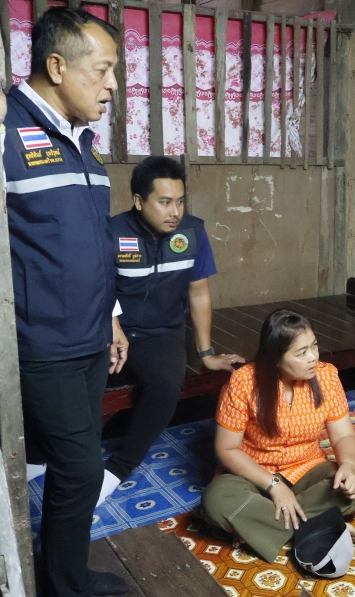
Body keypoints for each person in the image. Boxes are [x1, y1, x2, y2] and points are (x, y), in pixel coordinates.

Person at [0, 8, 129, 597]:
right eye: (102, 70)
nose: (112, 85)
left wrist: (113, 317)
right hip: (40, 339)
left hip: (91, 332)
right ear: (57, 66)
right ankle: (65, 584)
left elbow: (92, 241)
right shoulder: (2, 126)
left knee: (74, 458)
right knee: (81, 466)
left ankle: (61, 571)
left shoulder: (83, 141)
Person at [98, 156, 244, 503]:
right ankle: (45, 457)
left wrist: (206, 354)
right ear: (138, 201)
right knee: (75, 376)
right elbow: (96, 289)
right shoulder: (112, 232)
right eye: (164, 202)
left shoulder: (192, 231)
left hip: (159, 333)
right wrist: (109, 330)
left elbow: (198, 293)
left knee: (166, 384)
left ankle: (117, 470)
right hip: (109, 327)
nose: (174, 211)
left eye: (179, 201)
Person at [201, 309, 355, 564]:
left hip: (307, 468)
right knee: (216, 501)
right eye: (301, 353)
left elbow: (344, 436)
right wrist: (275, 486)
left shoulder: (327, 376)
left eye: (314, 346)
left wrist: (348, 466)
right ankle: (319, 526)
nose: (313, 357)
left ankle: (258, 525)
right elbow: (227, 449)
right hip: (254, 475)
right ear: (275, 359)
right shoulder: (243, 383)